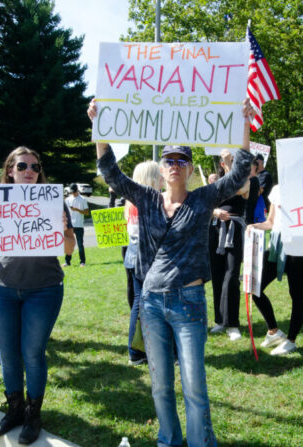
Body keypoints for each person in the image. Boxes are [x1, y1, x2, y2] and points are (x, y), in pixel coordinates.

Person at [90, 98, 255, 447]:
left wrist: (244, 125)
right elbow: (110, 173)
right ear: (161, 168)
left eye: (182, 160)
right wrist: (99, 130)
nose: (175, 165)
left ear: (190, 168)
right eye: (169, 160)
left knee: (194, 385)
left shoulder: (202, 199)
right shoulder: (147, 198)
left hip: (189, 302)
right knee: (161, 384)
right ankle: (168, 440)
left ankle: (199, 442)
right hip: (150, 304)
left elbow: (239, 173)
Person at [0, 146, 66, 445]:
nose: (29, 171)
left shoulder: (53, 202)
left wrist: (65, 232)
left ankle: (32, 414)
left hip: (44, 289)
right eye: (23, 166)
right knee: (8, 354)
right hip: (2, 287)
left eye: (35, 167)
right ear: (10, 170)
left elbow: (69, 249)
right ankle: (13, 409)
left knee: (32, 353)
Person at [248, 182, 303, 355]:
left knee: (297, 295)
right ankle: (274, 331)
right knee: (254, 287)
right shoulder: (277, 189)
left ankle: (291, 340)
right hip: (276, 246)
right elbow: (270, 222)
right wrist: (254, 226)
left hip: (299, 247)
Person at [123, 161, 163, 365]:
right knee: (142, 304)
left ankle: (137, 350)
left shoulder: (132, 202)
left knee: (140, 304)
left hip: (133, 258)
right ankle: (137, 351)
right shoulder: (148, 201)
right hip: (144, 260)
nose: (164, 178)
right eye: (160, 174)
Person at [208, 149, 250, 341]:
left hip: (234, 229)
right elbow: (207, 204)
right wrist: (215, 211)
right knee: (217, 273)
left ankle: (232, 323)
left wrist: (232, 165)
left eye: (231, 161)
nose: (226, 163)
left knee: (232, 274)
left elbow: (240, 189)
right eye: (224, 161)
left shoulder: (247, 179)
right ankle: (220, 320)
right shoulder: (216, 183)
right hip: (216, 228)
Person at [64, 183, 89, 267]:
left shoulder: (83, 199)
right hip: (70, 225)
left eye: (74, 192)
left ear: (77, 190)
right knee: (69, 244)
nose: (73, 193)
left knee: (80, 244)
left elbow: (86, 212)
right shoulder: (67, 200)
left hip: (79, 224)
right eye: (71, 192)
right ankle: (67, 262)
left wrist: (77, 209)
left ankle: (82, 261)